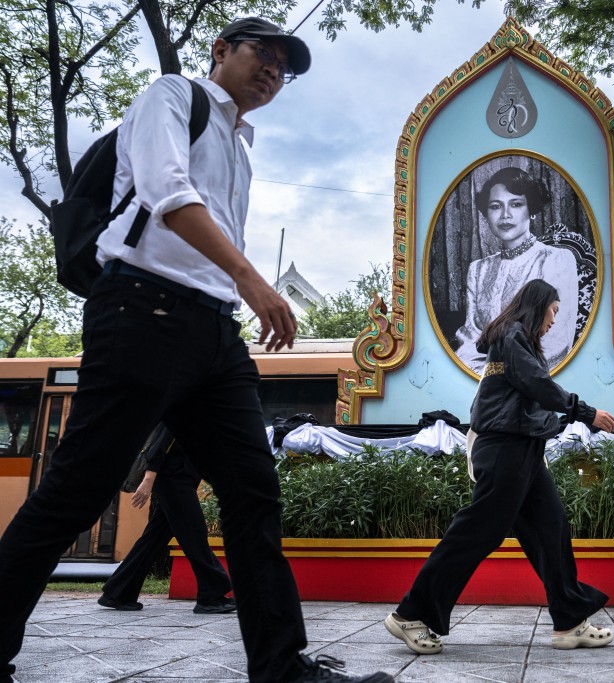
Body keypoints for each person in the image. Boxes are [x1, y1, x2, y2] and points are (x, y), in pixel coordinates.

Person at [0, 17, 391, 683]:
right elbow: (166, 192)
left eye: (283, 65)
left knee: (252, 488)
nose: (273, 69)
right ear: (220, 50)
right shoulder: (174, 96)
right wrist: (252, 279)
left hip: (214, 333)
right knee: (77, 486)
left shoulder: (241, 143)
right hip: (142, 310)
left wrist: (234, 291)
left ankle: (281, 666)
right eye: (262, 53)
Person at [385, 279, 614, 655]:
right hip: (505, 448)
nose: (555, 320)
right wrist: (586, 413)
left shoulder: (515, 340)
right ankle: (411, 614)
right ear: (538, 304)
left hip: (521, 447)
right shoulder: (512, 335)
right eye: (554, 311)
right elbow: (538, 384)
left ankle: (570, 621)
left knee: (550, 529)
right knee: (478, 532)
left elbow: (528, 393)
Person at [98, 424, 236, 615]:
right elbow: (162, 441)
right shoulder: (184, 402)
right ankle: (211, 596)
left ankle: (118, 592)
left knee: (154, 539)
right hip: (173, 478)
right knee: (194, 534)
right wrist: (148, 480)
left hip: (180, 478)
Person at [454, 167, 579, 374]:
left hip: (536, 380)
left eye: (516, 204)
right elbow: (470, 338)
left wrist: (501, 374)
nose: (505, 215)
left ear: (531, 211)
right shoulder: (478, 270)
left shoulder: (556, 260)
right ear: (486, 214)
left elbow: (556, 343)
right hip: (482, 380)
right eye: (495, 206)